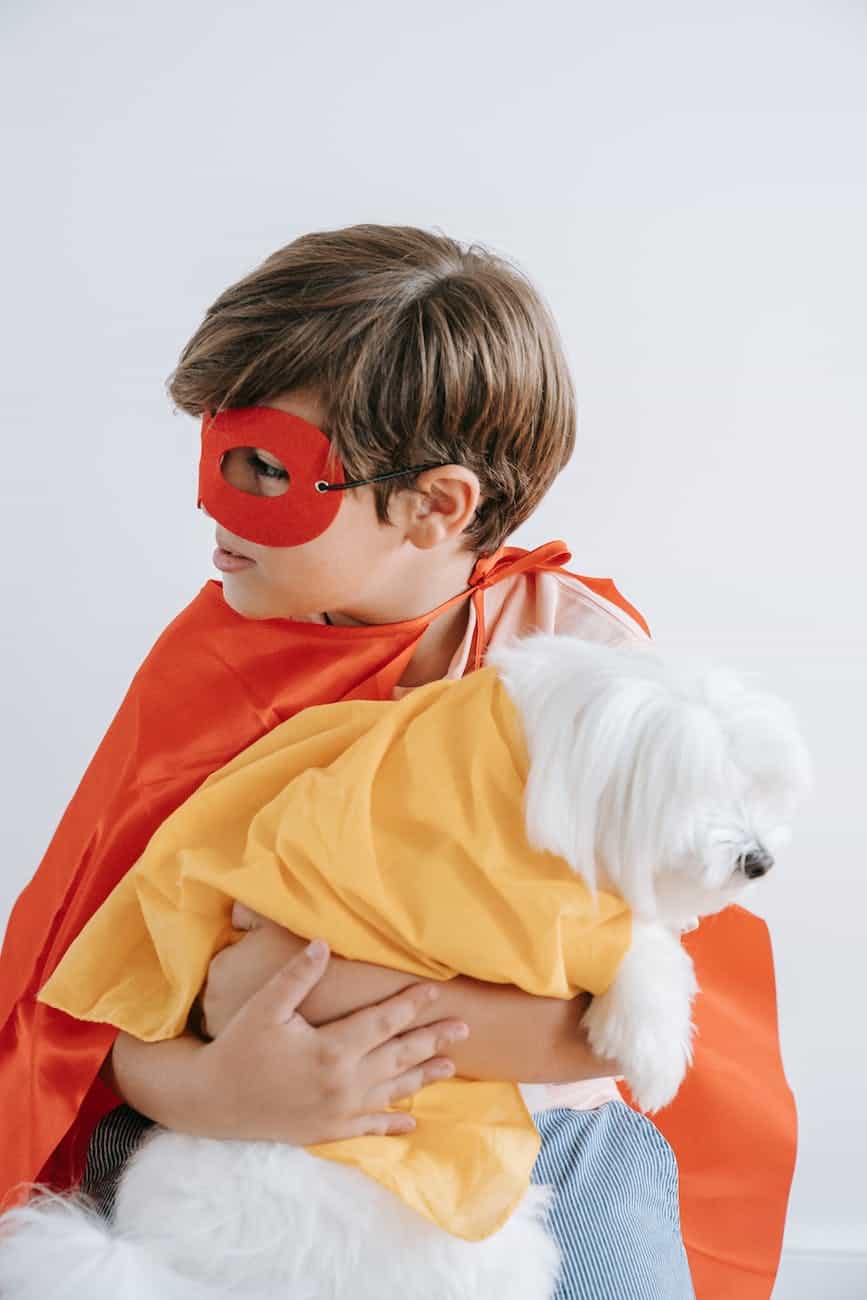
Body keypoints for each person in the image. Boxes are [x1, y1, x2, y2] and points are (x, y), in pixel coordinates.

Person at [0, 225, 794, 1299]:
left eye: (266, 470)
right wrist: (225, 1091)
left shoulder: (589, 671)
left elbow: (609, 1031)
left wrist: (327, 990)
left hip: (543, 1136)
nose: (211, 506)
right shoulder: (213, 673)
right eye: (215, 455)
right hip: (231, 1119)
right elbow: (112, 1002)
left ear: (437, 505)